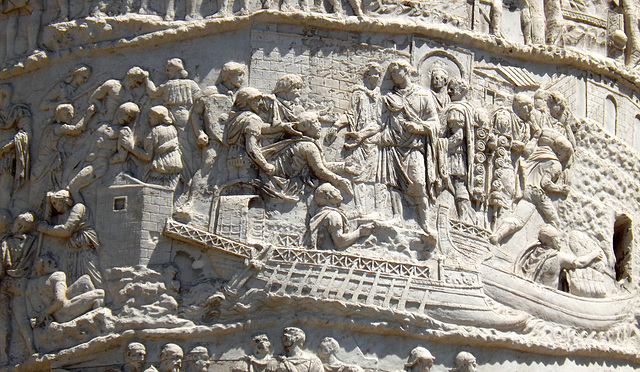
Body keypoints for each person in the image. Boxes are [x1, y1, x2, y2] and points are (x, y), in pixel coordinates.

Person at [378, 60, 439, 236]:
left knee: (418, 182)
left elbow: (436, 123)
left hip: (414, 147)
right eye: (391, 74)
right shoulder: (389, 97)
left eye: (396, 72)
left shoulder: (423, 95)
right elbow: (380, 121)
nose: (393, 76)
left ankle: (425, 222)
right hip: (394, 146)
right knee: (393, 184)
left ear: (406, 71)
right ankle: (397, 216)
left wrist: (418, 128)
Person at [327, 62, 383, 215]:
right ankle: (360, 209)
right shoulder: (358, 94)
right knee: (357, 174)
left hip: (373, 141)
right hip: (357, 142)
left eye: (378, 74)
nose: (376, 77)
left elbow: (380, 123)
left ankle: (376, 210)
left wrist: (362, 135)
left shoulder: (381, 98)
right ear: (366, 76)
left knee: (374, 176)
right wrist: (336, 126)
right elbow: (350, 114)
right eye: (373, 73)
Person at [261, 112, 354, 198]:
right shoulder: (308, 146)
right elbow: (319, 171)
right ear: (306, 126)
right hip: (278, 180)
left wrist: (343, 166)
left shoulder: (302, 141)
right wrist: (340, 181)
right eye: (316, 122)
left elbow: (322, 166)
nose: (320, 125)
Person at [66, 102, 139, 199]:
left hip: (97, 165)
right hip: (86, 161)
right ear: (119, 110)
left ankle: (82, 211)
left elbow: (121, 156)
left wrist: (105, 160)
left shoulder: (123, 131)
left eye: (130, 118)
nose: (127, 118)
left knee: (73, 187)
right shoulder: (103, 125)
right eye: (126, 114)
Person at [37, 190, 103, 288]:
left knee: (93, 276)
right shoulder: (63, 216)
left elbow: (66, 230)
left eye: (55, 202)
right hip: (73, 250)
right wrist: (47, 206)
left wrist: (46, 228)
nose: (54, 206)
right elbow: (49, 221)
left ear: (65, 200)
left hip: (84, 247)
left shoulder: (78, 208)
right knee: (73, 279)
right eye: (52, 204)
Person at [31, 104, 95, 205]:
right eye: (67, 114)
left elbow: (74, 142)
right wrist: (88, 115)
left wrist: (91, 132)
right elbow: (77, 130)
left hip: (49, 164)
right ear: (59, 115)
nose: (70, 117)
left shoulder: (52, 129)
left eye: (72, 115)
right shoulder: (57, 128)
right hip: (47, 165)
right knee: (44, 191)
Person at [26, 255, 105, 328]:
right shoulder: (57, 276)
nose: (54, 262)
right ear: (42, 268)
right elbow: (60, 301)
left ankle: (91, 311)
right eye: (49, 262)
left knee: (85, 279)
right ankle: (97, 324)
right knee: (100, 294)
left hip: (54, 312)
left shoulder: (32, 284)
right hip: (63, 312)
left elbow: (31, 311)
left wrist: (40, 315)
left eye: (52, 260)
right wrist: (43, 314)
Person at [515, 225, 603, 291]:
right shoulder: (558, 256)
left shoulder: (535, 252)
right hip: (547, 294)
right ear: (550, 241)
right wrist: (593, 254)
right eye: (556, 238)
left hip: (530, 289)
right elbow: (579, 263)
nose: (559, 241)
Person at [121, 105, 183, 188]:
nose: (148, 120)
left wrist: (130, 147)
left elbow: (147, 156)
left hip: (160, 168)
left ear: (158, 118)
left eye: (150, 118)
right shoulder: (172, 129)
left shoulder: (154, 132)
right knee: (171, 195)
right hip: (175, 167)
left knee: (152, 193)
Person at [308, 183, 374, 250]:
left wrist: (358, 214)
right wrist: (360, 232)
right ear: (327, 197)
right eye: (334, 190)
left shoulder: (323, 213)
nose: (338, 191)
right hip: (330, 256)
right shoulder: (333, 215)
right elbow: (340, 242)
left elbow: (346, 216)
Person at [0, 83, 31, 210]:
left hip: (7, 155)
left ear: (4, 95)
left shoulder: (17, 111)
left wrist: (10, 145)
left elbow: (26, 132)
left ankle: (4, 213)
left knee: (4, 186)